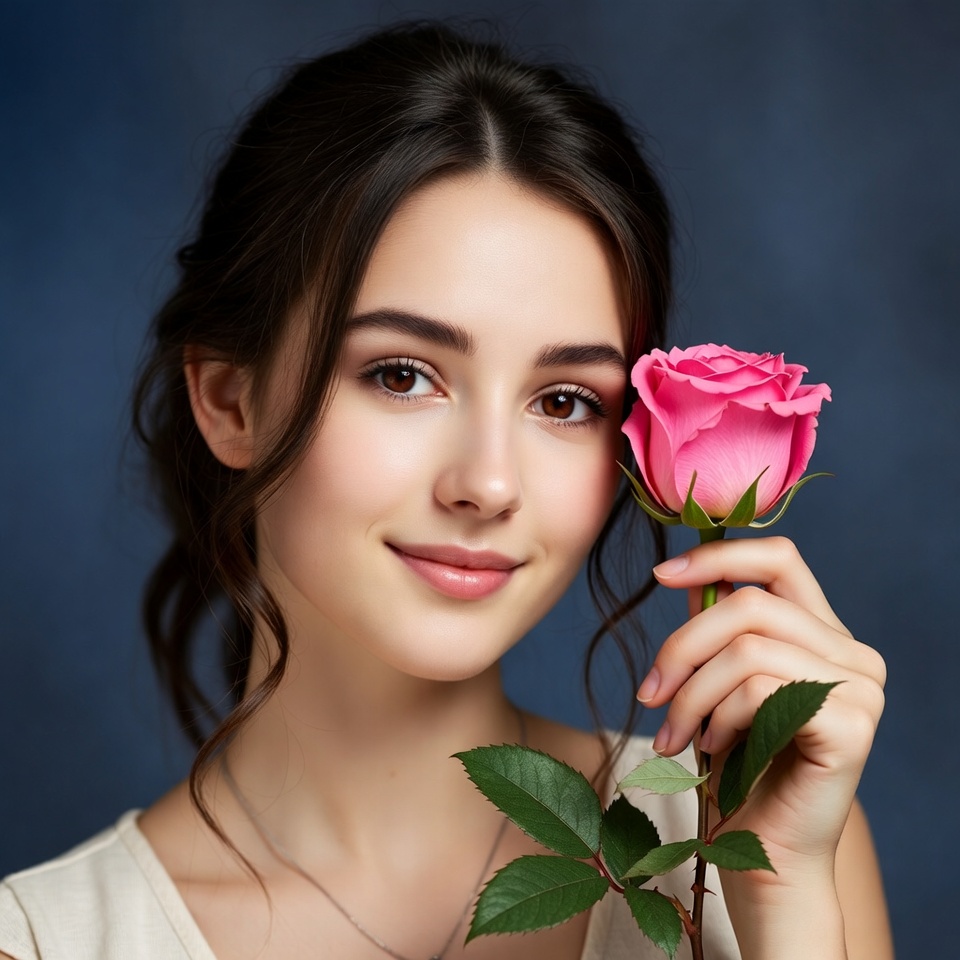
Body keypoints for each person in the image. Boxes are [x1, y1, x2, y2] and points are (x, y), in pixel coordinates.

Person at [0, 21, 892, 960]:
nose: (489, 483)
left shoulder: (770, 848)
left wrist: (789, 909)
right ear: (230, 399)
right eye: (400, 375)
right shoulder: (46, 941)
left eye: (563, 400)